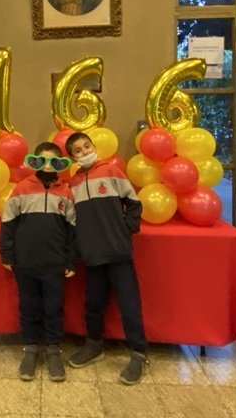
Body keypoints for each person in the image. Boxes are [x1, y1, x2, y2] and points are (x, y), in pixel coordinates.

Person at [65, 132, 148, 385]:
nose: (84, 152)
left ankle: (139, 353)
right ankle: (94, 344)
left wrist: (126, 228)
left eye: (86, 146)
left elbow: (134, 203)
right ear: (73, 157)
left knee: (129, 303)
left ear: (93, 146)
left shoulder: (112, 172)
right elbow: (72, 221)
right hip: (92, 254)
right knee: (94, 302)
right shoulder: (72, 185)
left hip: (118, 251)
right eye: (78, 150)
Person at [0, 142, 77, 382]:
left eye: (54, 161)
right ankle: (31, 348)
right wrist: (7, 254)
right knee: (29, 306)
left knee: (54, 307)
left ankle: (53, 349)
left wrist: (71, 259)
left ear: (61, 164)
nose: (48, 166)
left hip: (55, 262)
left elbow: (73, 230)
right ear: (34, 161)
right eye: (43, 160)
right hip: (25, 262)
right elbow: (8, 224)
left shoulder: (66, 192)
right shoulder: (22, 188)